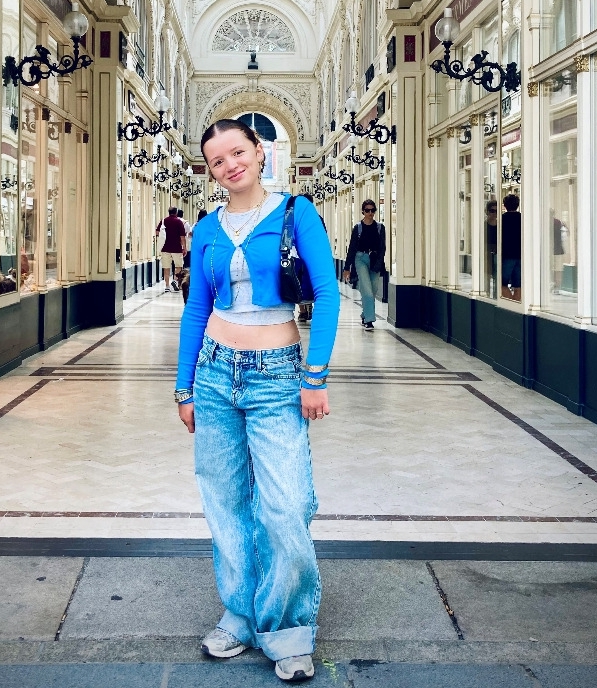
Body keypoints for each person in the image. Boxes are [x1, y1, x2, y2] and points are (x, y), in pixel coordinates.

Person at [175, 118, 339, 682]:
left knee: (285, 505)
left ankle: (288, 628)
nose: (230, 165)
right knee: (225, 502)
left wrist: (314, 376)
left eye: (238, 152)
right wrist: (185, 386)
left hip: (277, 376)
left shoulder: (296, 212)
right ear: (210, 171)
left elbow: (327, 294)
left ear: (260, 152)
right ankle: (242, 614)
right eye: (217, 161)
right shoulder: (206, 228)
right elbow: (197, 309)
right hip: (216, 373)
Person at [342, 199, 386, 331]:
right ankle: (369, 320)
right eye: (367, 210)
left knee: (373, 290)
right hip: (360, 259)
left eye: (372, 210)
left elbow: (382, 248)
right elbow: (352, 248)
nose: (370, 213)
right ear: (363, 212)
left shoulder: (380, 228)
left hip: (375, 260)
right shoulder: (358, 228)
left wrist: (379, 263)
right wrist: (347, 268)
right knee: (367, 290)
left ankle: (364, 314)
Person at [297, 193, 326, 323]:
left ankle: (306, 309)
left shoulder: (315, 219)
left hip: (308, 256)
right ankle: (304, 309)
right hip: (302, 257)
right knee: (301, 282)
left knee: (305, 282)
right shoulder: (296, 218)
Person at [156, 206, 186, 292]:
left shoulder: (163, 221)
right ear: (176, 213)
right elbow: (182, 237)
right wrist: (184, 248)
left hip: (165, 248)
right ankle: (175, 281)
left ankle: (167, 286)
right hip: (177, 248)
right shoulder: (179, 222)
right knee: (178, 266)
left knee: (166, 267)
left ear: (169, 212)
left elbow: (157, 232)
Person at [501, 193, 521, 301]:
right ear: (518, 205)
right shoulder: (523, 218)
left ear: (505, 205)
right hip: (520, 255)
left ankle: (511, 303)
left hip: (507, 255)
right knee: (518, 286)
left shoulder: (502, 219)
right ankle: (517, 304)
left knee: (502, 283)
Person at [550, 208, 565, 293]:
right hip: (558, 249)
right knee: (558, 269)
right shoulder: (558, 222)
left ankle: (553, 285)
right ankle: (557, 287)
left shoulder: (546, 223)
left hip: (550, 250)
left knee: (550, 268)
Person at [485, 200, 498, 298]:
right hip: (486, 253)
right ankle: (486, 295)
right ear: (487, 211)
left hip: (498, 253)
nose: (494, 213)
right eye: (492, 211)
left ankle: (496, 296)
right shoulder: (484, 225)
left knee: (497, 276)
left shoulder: (501, 225)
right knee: (486, 276)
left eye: (496, 211)